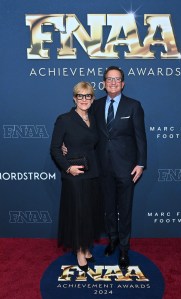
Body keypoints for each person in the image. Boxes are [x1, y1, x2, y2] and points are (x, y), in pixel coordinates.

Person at [62, 66, 147, 269]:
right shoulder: (95, 105)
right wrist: (65, 144)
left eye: (117, 79)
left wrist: (141, 163)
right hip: (101, 168)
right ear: (104, 83)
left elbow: (140, 138)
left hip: (127, 169)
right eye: (109, 79)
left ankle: (124, 249)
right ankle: (113, 240)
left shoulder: (134, 106)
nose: (113, 82)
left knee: (124, 210)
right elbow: (80, 126)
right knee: (108, 210)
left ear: (123, 83)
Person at [50, 82, 103, 272]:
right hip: (74, 176)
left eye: (87, 96)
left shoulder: (94, 119)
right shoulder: (64, 119)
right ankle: (79, 251)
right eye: (80, 96)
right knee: (78, 213)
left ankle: (86, 245)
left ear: (92, 99)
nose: (84, 100)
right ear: (74, 98)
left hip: (93, 173)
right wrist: (68, 168)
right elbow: (55, 148)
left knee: (89, 212)